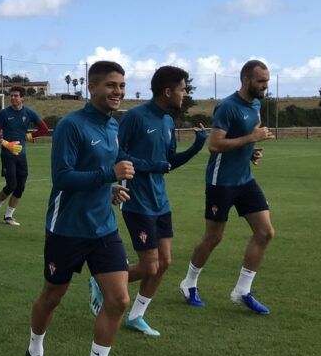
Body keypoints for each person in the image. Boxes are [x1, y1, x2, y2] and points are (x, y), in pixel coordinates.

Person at [26, 60, 136, 356]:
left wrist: (110, 189)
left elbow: (102, 174)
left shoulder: (113, 127)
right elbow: (63, 177)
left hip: (102, 226)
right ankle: (35, 349)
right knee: (52, 296)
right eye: (110, 85)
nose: (117, 91)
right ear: (92, 88)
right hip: (67, 229)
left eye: (121, 85)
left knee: (119, 299)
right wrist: (108, 175)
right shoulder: (71, 126)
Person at [89, 66, 206, 336]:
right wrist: (151, 166)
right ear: (168, 91)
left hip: (160, 201)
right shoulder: (136, 117)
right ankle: (101, 281)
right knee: (149, 265)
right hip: (136, 200)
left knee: (164, 262)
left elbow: (167, 164)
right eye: (182, 89)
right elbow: (118, 153)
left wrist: (196, 147)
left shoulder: (167, 121)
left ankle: (137, 315)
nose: (185, 94)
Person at [178, 60, 276, 314]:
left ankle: (242, 291)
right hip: (220, 182)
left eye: (267, 81)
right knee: (214, 237)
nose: (265, 86)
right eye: (261, 81)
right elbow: (215, 145)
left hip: (244, 179)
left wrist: (251, 151)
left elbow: (244, 139)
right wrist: (251, 138)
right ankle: (189, 283)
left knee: (265, 232)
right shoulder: (228, 107)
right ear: (245, 80)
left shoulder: (256, 105)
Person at [0, 86, 48, 225]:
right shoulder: (4, 114)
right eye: (11, 95)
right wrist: (6, 144)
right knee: (11, 185)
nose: (13, 98)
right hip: (7, 154)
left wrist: (29, 136)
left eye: (16, 95)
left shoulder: (28, 112)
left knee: (21, 186)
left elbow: (44, 129)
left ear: (22, 98)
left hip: (21, 154)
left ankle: (8, 216)